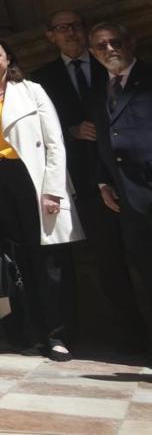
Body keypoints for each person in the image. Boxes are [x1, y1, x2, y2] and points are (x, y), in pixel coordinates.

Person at [0, 34, 83, 360]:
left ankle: (58, 335)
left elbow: (55, 142)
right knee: (15, 262)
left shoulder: (32, 91)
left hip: (34, 181)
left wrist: (53, 189)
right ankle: (29, 333)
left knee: (49, 263)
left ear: (9, 58)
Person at [32, 10, 144, 350]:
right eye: (61, 28)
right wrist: (70, 131)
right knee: (109, 262)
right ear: (50, 35)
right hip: (86, 183)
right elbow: (37, 134)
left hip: (133, 178)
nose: (70, 33)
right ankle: (132, 334)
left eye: (76, 26)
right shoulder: (42, 80)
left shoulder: (111, 64)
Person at [87, 22, 152, 364]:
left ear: (131, 41)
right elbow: (104, 139)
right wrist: (102, 181)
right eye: (100, 46)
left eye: (115, 42)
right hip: (127, 198)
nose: (109, 49)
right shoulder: (100, 88)